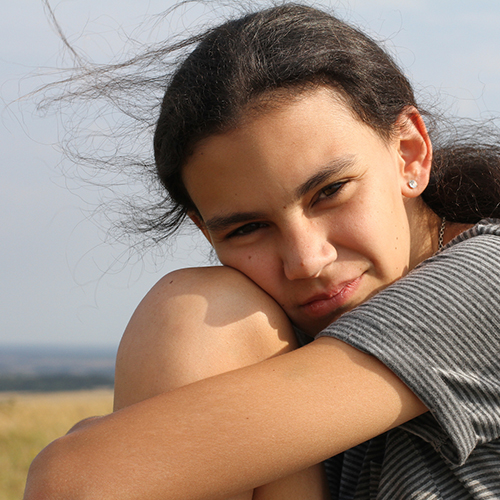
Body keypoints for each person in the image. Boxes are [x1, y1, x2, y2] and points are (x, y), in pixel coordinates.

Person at [24, 3, 500, 499]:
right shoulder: (271, 326)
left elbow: (81, 480)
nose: (306, 260)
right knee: (196, 312)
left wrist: (103, 439)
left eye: (330, 191)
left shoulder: (487, 280)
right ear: (207, 233)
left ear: (409, 153)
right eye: (249, 228)